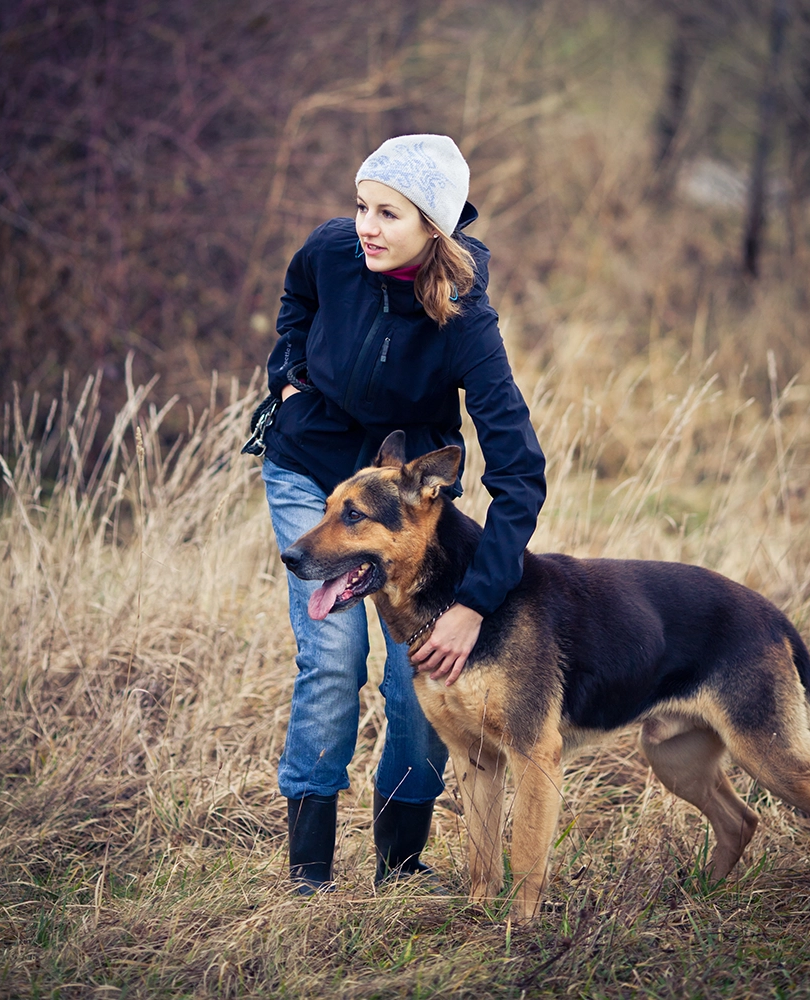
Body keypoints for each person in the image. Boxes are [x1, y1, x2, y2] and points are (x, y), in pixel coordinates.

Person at [247, 133, 546, 893]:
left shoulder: (465, 319)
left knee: (425, 664)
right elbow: (297, 302)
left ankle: (400, 863)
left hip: (402, 504)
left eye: (389, 212)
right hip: (311, 470)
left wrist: (475, 606)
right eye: (361, 206)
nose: (366, 227)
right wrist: (288, 378)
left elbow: (520, 474)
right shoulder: (332, 250)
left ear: (433, 228)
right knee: (333, 655)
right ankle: (309, 874)